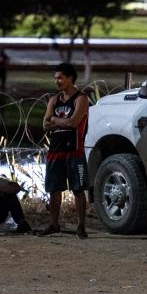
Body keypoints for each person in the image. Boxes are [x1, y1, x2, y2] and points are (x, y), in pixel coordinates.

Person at [41, 63, 90, 238]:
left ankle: (81, 226)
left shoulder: (81, 99)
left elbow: (74, 122)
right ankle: (54, 224)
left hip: (75, 150)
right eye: (55, 78)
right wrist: (58, 121)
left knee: (77, 189)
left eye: (60, 78)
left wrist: (55, 119)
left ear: (70, 78)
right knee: (54, 190)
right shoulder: (54, 100)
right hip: (56, 150)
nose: (57, 81)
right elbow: (45, 124)